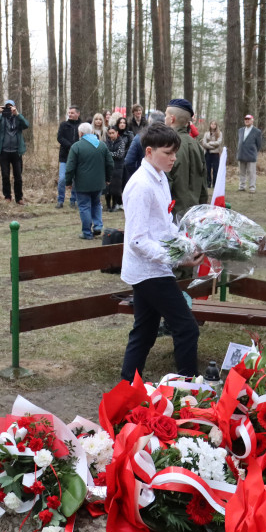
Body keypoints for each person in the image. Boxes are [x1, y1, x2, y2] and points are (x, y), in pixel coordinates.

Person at [119, 122, 203, 382]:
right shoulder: (141, 186)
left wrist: (188, 246)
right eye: (168, 152)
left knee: (144, 331)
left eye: (174, 152)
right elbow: (137, 241)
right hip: (147, 270)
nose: (173, 158)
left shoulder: (160, 178)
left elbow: (166, 225)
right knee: (187, 328)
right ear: (148, 152)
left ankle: (127, 386)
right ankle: (189, 389)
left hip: (156, 267)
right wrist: (177, 258)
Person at [65, 123, 114, 240]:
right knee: (96, 204)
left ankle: (87, 233)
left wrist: (68, 182)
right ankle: (98, 226)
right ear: (91, 132)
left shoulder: (76, 147)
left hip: (82, 185)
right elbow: (110, 164)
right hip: (99, 183)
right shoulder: (102, 145)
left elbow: (70, 167)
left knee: (84, 207)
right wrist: (107, 179)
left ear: (81, 133)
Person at [165, 99, 208, 216]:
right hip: (194, 212)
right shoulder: (196, 144)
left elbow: (166, 182)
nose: (165, 119)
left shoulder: (167, 145)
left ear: (172, 118)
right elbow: (203, 180)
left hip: (173, 214)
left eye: (166, 115)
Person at [0, 99, 30, 204]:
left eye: (10, 107)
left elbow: (26, 125)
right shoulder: (0, 118)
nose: (9, 109)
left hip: (16, 152)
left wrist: (17, 114)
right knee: (5, 176)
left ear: (14, 107)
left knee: (18, 176)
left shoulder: (18, 118)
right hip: (4, 152)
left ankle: (19, 198)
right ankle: (7, 197)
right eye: (7, 107)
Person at [55, 105, 82, 208]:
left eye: (72, 113)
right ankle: (60, 200)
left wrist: (77, 148)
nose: (70, 114)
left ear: (78, 114)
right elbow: (59, 138)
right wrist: (70, 146)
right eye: (69, 113)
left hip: (78, 157)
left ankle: (73, 200)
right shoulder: (63, 125)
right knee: (62, 178)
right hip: (64, 156)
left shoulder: (82, 125)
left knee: (76, 179)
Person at [236, 114, 264, 192]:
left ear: (252, 120)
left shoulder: (257, 131)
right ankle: (242, 186)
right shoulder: (240, 130)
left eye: (248, 119)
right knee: (242, 172)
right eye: (245, 119)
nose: (247, 120)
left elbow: (259, 144)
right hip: (241, 154)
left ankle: (252, 187)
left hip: (251, 155)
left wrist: (253, 151)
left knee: (251, 172)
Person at [105, 125, 129, 211]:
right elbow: (104, 152)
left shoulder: (121, 142)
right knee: (107, 188)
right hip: (108, 167)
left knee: (116, 188)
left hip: (118, 167)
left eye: (113, 133)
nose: (111, 135)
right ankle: (108, 205)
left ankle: (114, 204)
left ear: (117, 133)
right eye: (110, 133)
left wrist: (109, 154)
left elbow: (120, 154)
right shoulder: (106, 142)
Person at [200, 121, 223, 188]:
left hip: (215, 154)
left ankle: (215, 183)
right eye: (212, 124)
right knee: (207, 169)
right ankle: (208, 183)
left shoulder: (219, 133)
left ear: (216, 125)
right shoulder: (206, 133)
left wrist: (209, 143)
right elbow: (204, 143)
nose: (213, 125)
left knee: (215, 169)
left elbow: (218, 143)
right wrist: (210, 145)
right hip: (207, 153)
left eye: (214, 124)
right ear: (210, 125)